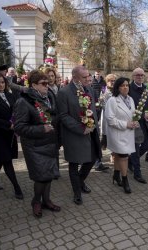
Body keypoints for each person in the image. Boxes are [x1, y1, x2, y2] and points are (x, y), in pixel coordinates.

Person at [14, 70, 61, 218]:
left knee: (49, 175)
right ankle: (36, 201)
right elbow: (19, 127)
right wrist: (42, 128)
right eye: (43, 83)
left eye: (48, 83)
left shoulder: (50, 97)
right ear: (33, 85)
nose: (47, 86)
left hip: (50, 143)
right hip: (35, 147)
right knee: (41, 177)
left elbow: (54, 117)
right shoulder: (24, 101)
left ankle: (46, 200)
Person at [57, 66, 101, 205]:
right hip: (74, 134)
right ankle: (76, 192)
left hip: (91, 133)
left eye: (89, 76)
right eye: (85, 77)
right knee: (74, 163)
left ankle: (80, 181)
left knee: (92, 159)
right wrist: (81, 128)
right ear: (75, 78)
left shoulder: (89, 89)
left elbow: (92, 109)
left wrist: (94, 124)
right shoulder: (64, 92)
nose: (89, 79)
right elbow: (63, 116)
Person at [0, 72, 23, 199]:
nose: (1, 85)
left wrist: (16, 121)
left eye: (2, 82)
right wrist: (8, 124)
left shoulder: (10, 95)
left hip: (10, 134)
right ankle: (17, 188)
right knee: (7, 160)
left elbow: (16, 110)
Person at [105, 77, 138, 193]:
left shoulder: (131, 99)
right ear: (117, 88)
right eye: (122, 85)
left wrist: (135, 122)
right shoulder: (112, 100)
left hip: (128, 133)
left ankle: (116, 174)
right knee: (124, 157)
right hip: (117, 133)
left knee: (119, 156)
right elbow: (110, 119)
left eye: (127, 85)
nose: (125, 87)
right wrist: (126, 124)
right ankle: (125, 181)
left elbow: (133, 115)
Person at [128, 68, 148, 184]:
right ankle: (137, 173)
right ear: (133, 76)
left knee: (147, 145)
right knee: (135, 148)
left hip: (145, 123)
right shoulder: (129, 89)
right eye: (137, 75)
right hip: (134, 122)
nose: (140, 77)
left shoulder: (146, 88)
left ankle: (130, 161)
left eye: (142, 75)